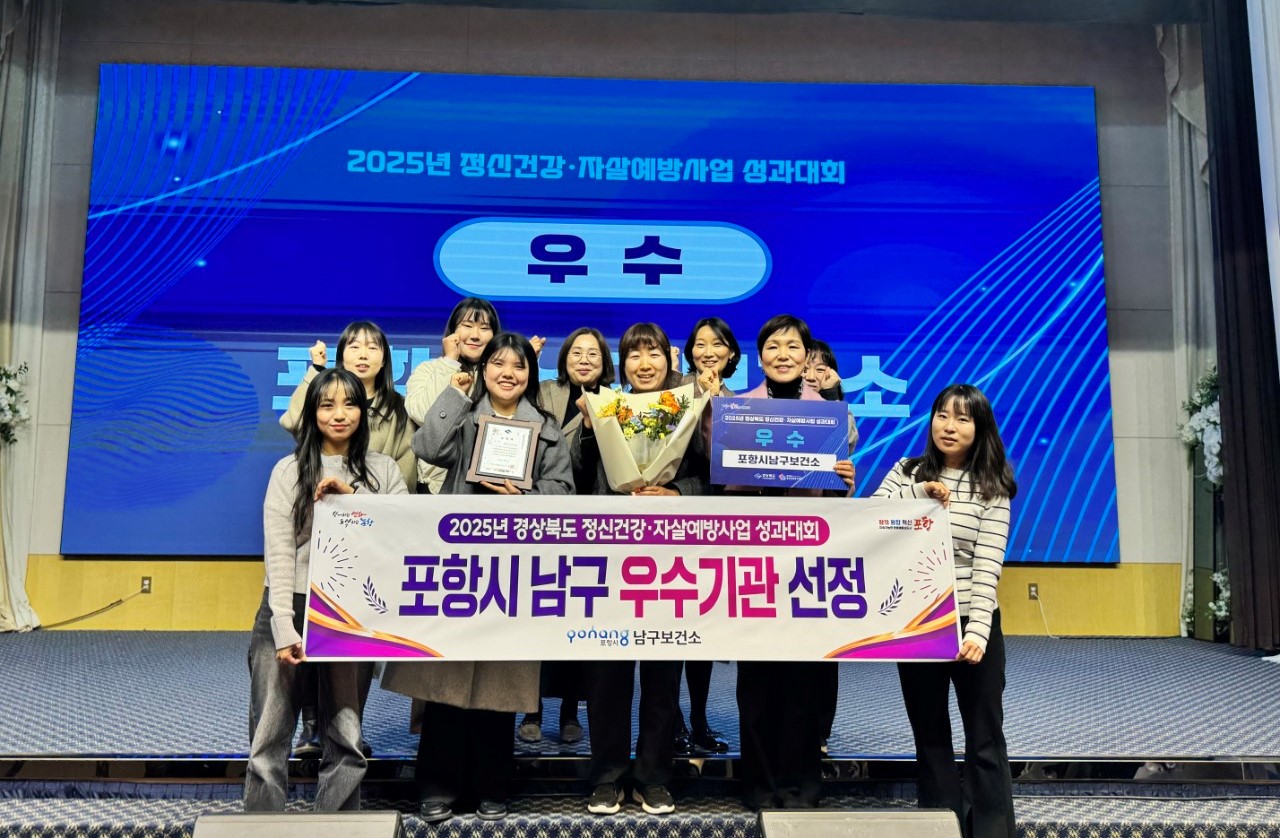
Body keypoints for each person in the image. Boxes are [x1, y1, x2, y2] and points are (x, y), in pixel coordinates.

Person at [381, 332, 574, 823]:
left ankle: (492, 784)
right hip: (460, 565)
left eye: (519, 366)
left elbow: (563, 491)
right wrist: (456, 395)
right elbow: (426, 446)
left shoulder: (546, 428)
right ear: (483, 370)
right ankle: (438, 783)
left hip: (513, 568)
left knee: (499, 682)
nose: (508, 373)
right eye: (498, 364)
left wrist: (524, 499)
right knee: (447, 678)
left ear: (530, 374)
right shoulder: (467, 416)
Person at [245, 368, 408, 812]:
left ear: (363, 411)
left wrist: (352, 499)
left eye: (350, 404)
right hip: (291, 603)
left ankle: (337, 821)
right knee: (269, 734)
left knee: (346, 735)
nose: (339, 414)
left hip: (351, 609)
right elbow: (280, 552)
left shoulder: (383, 470)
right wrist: (283, 625)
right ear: (312, 412)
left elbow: (401, 534)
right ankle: (261, 823)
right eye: (327, 404)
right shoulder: (287, 471)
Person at [573, 322, 708, 816]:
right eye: (634, 355)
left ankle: (653, 775)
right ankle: (607, 776)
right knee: (606, 673)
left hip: (671, 562)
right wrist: (589, 433)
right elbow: (579, 478)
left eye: (653, 354)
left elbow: (710, 478)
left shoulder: (688, 407)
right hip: (610, 556)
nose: (644, 364)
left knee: (662, 672)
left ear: (669, 362)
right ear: (622, 364)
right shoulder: (606, 407)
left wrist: (676, 492)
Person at [872, 383, 1017, 838]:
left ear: (980, 428)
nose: (949, 426)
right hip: (918, 619)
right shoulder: (907, 470)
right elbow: (871, 519)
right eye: (942, 415)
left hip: (972, 620)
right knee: (930, 734)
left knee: (985, 734)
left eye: (962, 419)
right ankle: (941, 826)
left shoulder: (992, 486)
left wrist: (977, 630)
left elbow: (988, 563)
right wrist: (920, 494)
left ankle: (992, 830)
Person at [724, 314, 856, 810]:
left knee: (803, 680)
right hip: (755, 564)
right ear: (760, 358)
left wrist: (843, 481)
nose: (783, 354)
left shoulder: (829, 414)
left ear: (807, 356)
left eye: (793, 346)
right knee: (757, 681)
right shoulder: (738, 410)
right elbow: (724, 486)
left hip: (807, 564)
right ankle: (759, 784)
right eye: (773, 346)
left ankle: (802, 783)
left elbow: (834, 498)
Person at [279, 321, 416, 759]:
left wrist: (371, 498)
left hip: (371, 529)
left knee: (358, 643)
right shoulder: (322, 392)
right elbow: (293, 422)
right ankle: (312, 727)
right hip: (317, 532)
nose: (363, 353)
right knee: (309, 635)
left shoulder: (398, 408)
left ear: (385, 357)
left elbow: (402, 470)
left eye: (373, 346)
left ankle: (348, 725)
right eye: (354, 345)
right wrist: (313, 373)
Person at [517, 327, 617, 746]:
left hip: (592, 524)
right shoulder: (544, 392)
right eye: (577, 352)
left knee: (580, 620)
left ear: (605, 362)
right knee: (537, 617)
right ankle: (531, 709)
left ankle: (571, 711)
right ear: (564, 358)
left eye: (593, 354)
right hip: (543, 516)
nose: (584, 360)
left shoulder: (615, 401)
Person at [670, 317, 741, 757]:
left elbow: (727, 466)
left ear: (731, 354)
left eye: (717, 344)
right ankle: (673, 720)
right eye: (700, 344)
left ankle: (698, 718)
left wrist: (716, 404)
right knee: (665, 629)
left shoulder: (738, 403)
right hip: (670, 521)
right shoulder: (671, 391)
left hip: (712, 529)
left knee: (701, 633)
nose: (708, 351)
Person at [404, 297, 501, 494]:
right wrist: (449, 362)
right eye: (467, 325)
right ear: (453, 331)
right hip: (435, 489)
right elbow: (425, 415)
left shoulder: (498, 378)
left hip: (487, 487)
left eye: (484, 328)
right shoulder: (429, 369)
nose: (475, 335)